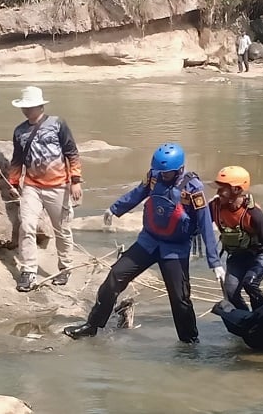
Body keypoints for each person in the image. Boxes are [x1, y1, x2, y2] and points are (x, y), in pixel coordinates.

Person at [63, 143, 223, 343]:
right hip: (148, 241)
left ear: (179, 170)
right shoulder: (154, 177)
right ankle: (93, 325)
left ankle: (189, 342)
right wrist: (115, 209)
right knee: (115, 276)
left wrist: (214, 262)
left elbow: (205, 224)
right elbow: (138, 193)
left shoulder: (193, 189)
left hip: (175, 249)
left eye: (168, 173)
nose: (164, 176)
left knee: (180, 299)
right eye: (162, 172)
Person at [8, 86, 82, 292]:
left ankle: (65, 267)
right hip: (31, 186)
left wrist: (75, 180)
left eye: (30, 107)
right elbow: (17, 160)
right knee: (27, 225)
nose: (27, 111)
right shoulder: (19, 131)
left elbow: (72, 153)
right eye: (25, 107)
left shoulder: (57, 124)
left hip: (58, 185)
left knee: (62, 229)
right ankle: (28, 271)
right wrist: (14, 183)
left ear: (40, 105)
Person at [209, 166, 263, 311]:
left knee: (250, 283)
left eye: (223, 188)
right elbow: (200, 225)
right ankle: (245, 319)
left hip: (259, 256)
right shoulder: (214, 207)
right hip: (237, 257)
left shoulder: (253, 213)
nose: (218, 192)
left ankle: (262, 316)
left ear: (236, 190)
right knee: (230, 292)